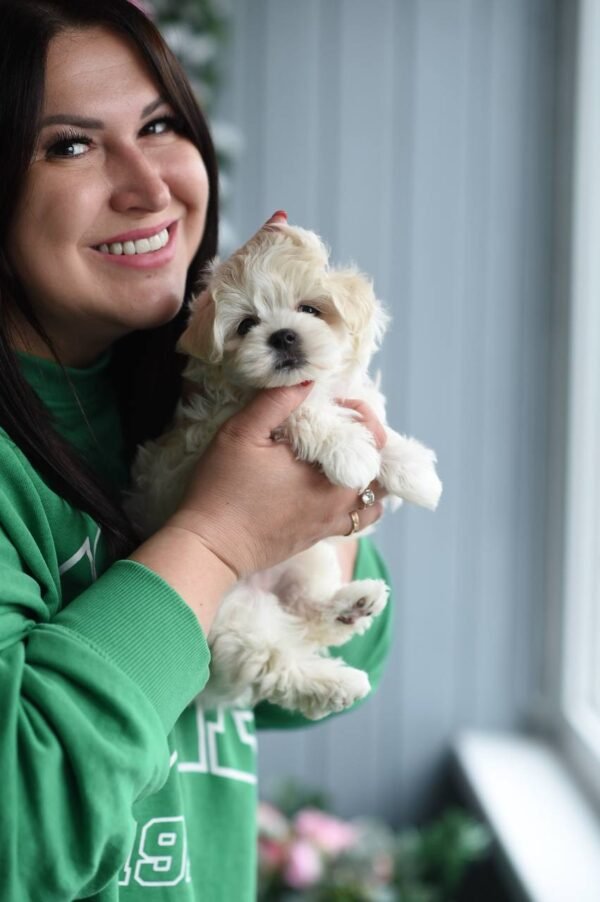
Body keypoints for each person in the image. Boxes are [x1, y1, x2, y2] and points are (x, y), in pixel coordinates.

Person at [0, 0, 393, 898]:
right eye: (69, 144)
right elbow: (19, 828)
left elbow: (349, 665)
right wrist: (216, 541)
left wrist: (303, 509)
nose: (149, 186)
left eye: (160, 124)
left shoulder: (179, 394)